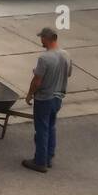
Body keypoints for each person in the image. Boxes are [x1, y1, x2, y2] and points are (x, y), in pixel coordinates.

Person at [22, 27, 71, 173]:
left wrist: (30, 94)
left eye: (41, 38)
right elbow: (68, 74)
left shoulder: (44, 58)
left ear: (46, 38)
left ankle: (40, 161)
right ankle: (49, 157)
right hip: (58, 98)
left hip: (44, 98)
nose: (41, 40)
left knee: (42, 129)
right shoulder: (66, 55)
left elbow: (37, 81)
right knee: (51, 126)